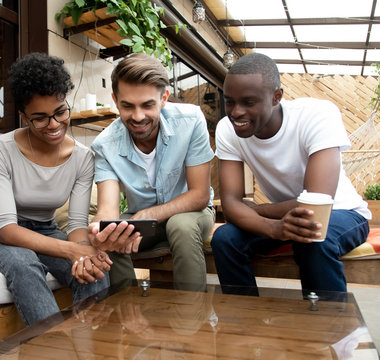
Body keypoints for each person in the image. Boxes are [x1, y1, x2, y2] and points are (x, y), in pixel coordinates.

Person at [212, 52, 371, 297]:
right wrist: (273, 228)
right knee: (224, 238)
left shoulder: (316, 115)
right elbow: (232, 204)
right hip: (287, 217)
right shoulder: (227, 129)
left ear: (277, 97)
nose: (235, 112)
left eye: (248, 102)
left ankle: (330, 327)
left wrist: (259, 211)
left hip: (341, 212)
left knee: (313, 237)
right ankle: (244, 323)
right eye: (229, 101)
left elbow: (316, 203)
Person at [0, 52, 111, 326]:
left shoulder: (83, 158)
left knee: (96, 271)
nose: (55, 124)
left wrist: (83, 252)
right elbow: (7, 229)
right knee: (24, 265)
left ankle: (94, 348)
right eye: (40, 118)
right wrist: (71, 252)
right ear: (24, 116)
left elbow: (77, 225)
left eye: (60, 112)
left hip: (47, 230)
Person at [88, 53, 216, 291]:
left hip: (193, 214)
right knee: (110, 236)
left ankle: (191, 322)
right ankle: (128, 315)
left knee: (181, 225)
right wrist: (100, 230)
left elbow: (199, 195)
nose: (138, 117)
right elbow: (108, 210)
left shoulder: (191, 121)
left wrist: (151, 214)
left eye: (148, 105)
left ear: (164, 98)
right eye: (127, 106)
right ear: (116, 101)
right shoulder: (105, 145)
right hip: (142, 223)